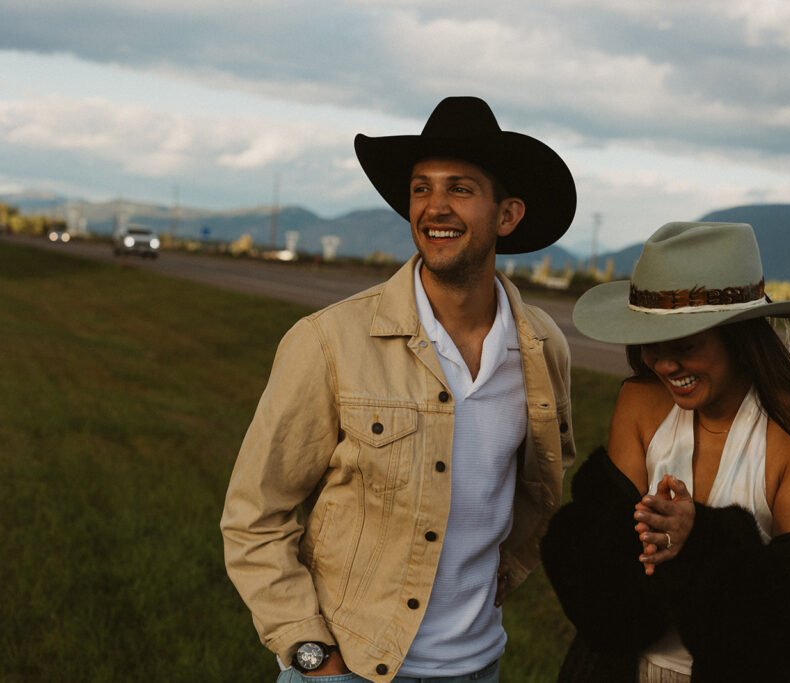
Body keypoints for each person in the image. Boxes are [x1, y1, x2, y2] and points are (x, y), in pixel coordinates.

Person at [221, 96, 578, 682]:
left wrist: (507, 568)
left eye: (459, 189)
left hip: (477, 666)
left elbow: (544, 481)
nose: (434, 207)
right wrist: (313, 657)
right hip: (349, 668)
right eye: (420, 189)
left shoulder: (542, 347)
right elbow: (254, 516)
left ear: (507, 215)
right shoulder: (329, 341)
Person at [541, 222, 790, 682]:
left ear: (741, 336)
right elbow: (604, 606)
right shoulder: (640, 403)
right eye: (650, 342)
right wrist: (644, 539)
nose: (663, 364)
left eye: (685, 344)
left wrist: (699, 542)